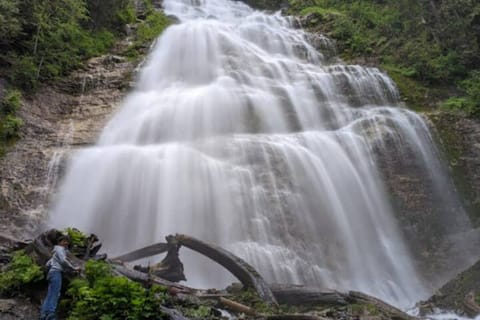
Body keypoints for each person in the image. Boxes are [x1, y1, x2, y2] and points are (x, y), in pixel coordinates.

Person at [40, 235, 80, 320]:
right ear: (59, 242)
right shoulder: (59, 249)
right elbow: (63, 260)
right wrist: (74, 268)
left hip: (52, 273)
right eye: (64, 241)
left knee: (50, 294)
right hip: (56, 273)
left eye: (67, 242)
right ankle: (50, 315)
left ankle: (43, 314)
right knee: (55, 294)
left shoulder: (55, 251)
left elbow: (47, 264)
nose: (66, 243)